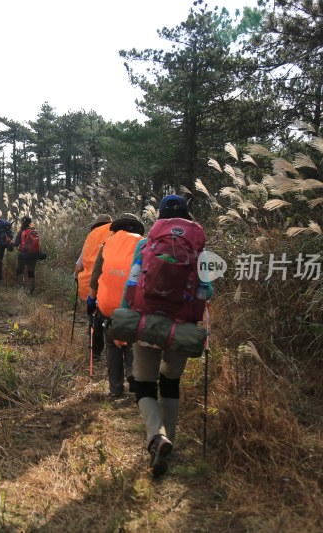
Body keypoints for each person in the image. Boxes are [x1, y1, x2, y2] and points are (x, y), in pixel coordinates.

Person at [121, 195, 211, 478]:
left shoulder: (145, 244)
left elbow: (133, 281)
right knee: (171, 383)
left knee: (144, 385)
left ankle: (156, 437)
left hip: (147, 324)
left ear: (159, 217)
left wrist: (124, 319)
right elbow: (206, 293)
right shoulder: (199, 249)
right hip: (181, 326)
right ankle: (167, 438)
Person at [89, 213, 145, 398]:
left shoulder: (108, 243)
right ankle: (133, 373)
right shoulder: (143, 244)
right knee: (131, 340)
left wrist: (91, 299)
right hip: (131, 303)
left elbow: (97, 273)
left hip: (107, 304)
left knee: (112, 344)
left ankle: (115, 388)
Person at [75, 214, 113, 362]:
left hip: (94, 285)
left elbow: (78, 266)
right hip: (114, 283)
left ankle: (95, 353)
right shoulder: (117, 236)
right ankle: (117, 352)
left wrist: (76, 275)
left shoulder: (91, 238)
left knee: (95, 318)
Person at [15, 215, 40, 293]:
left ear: (23, 222)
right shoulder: (34, 231)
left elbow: (16, 244)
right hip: (33, 255)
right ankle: (31, 289)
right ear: (30, 222)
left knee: (19, 270)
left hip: (23, 255)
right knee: (31, 271)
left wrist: (9, 242)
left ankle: (21, 288)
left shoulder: (21, 232)